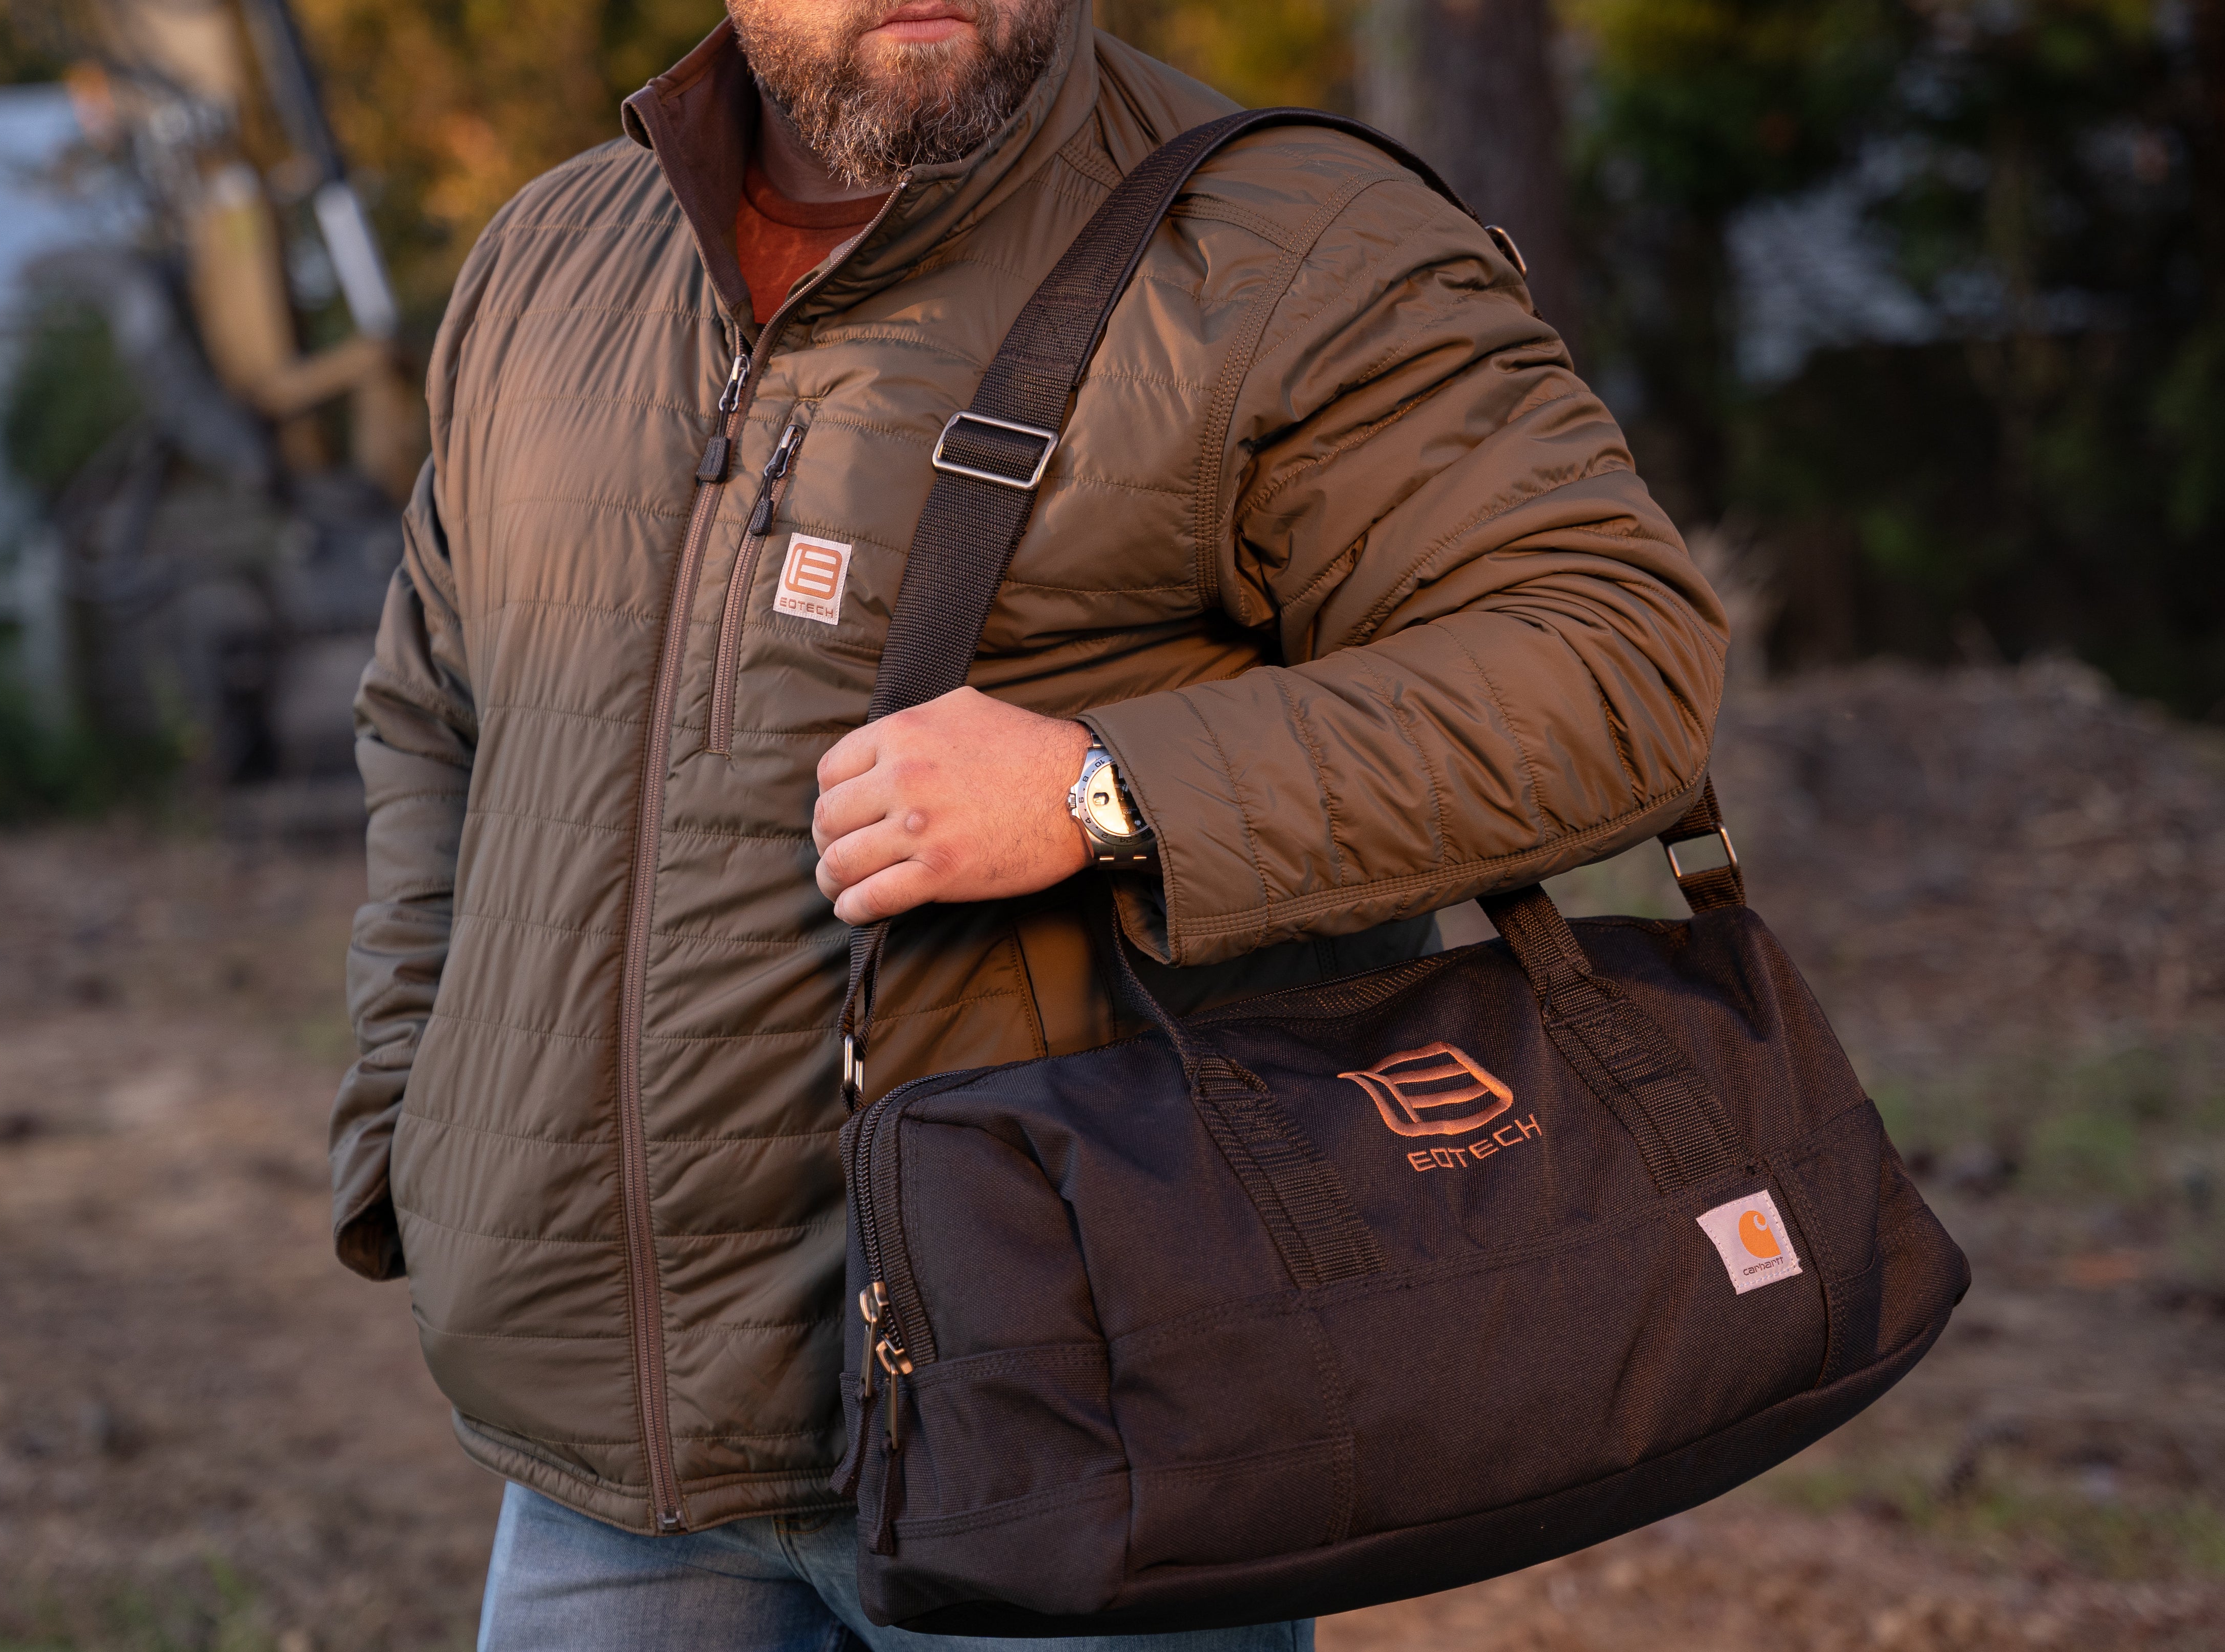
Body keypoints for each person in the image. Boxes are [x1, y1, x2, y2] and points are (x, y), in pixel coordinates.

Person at [328, 0, 1726, 1644]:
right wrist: (408, 1128)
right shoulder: (553, 256)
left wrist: (1099, 789)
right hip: (602, 1476)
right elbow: (438, 716)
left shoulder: (1294, 241)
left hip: (1091, 1434)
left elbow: (1611, 661)